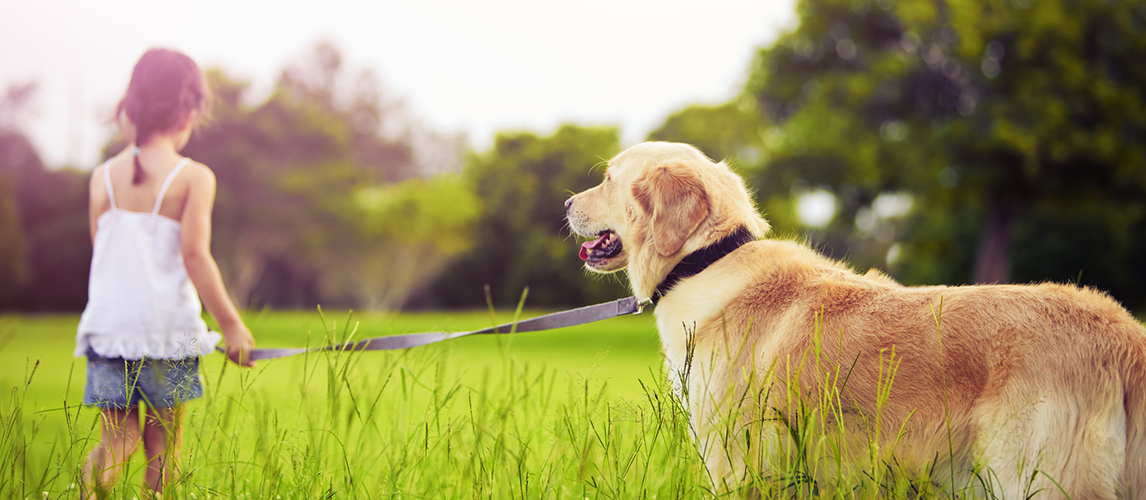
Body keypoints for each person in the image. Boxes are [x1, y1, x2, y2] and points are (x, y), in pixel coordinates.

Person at [75, 48, 256, 497]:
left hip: (109, 333)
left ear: (131, 107)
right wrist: (231, 326)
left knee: (115, 442)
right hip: (169, 339)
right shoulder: (193, 178)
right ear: (189, 111)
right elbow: (195, 256)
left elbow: (103, 252)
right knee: (164, 449)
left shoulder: (102, 177)